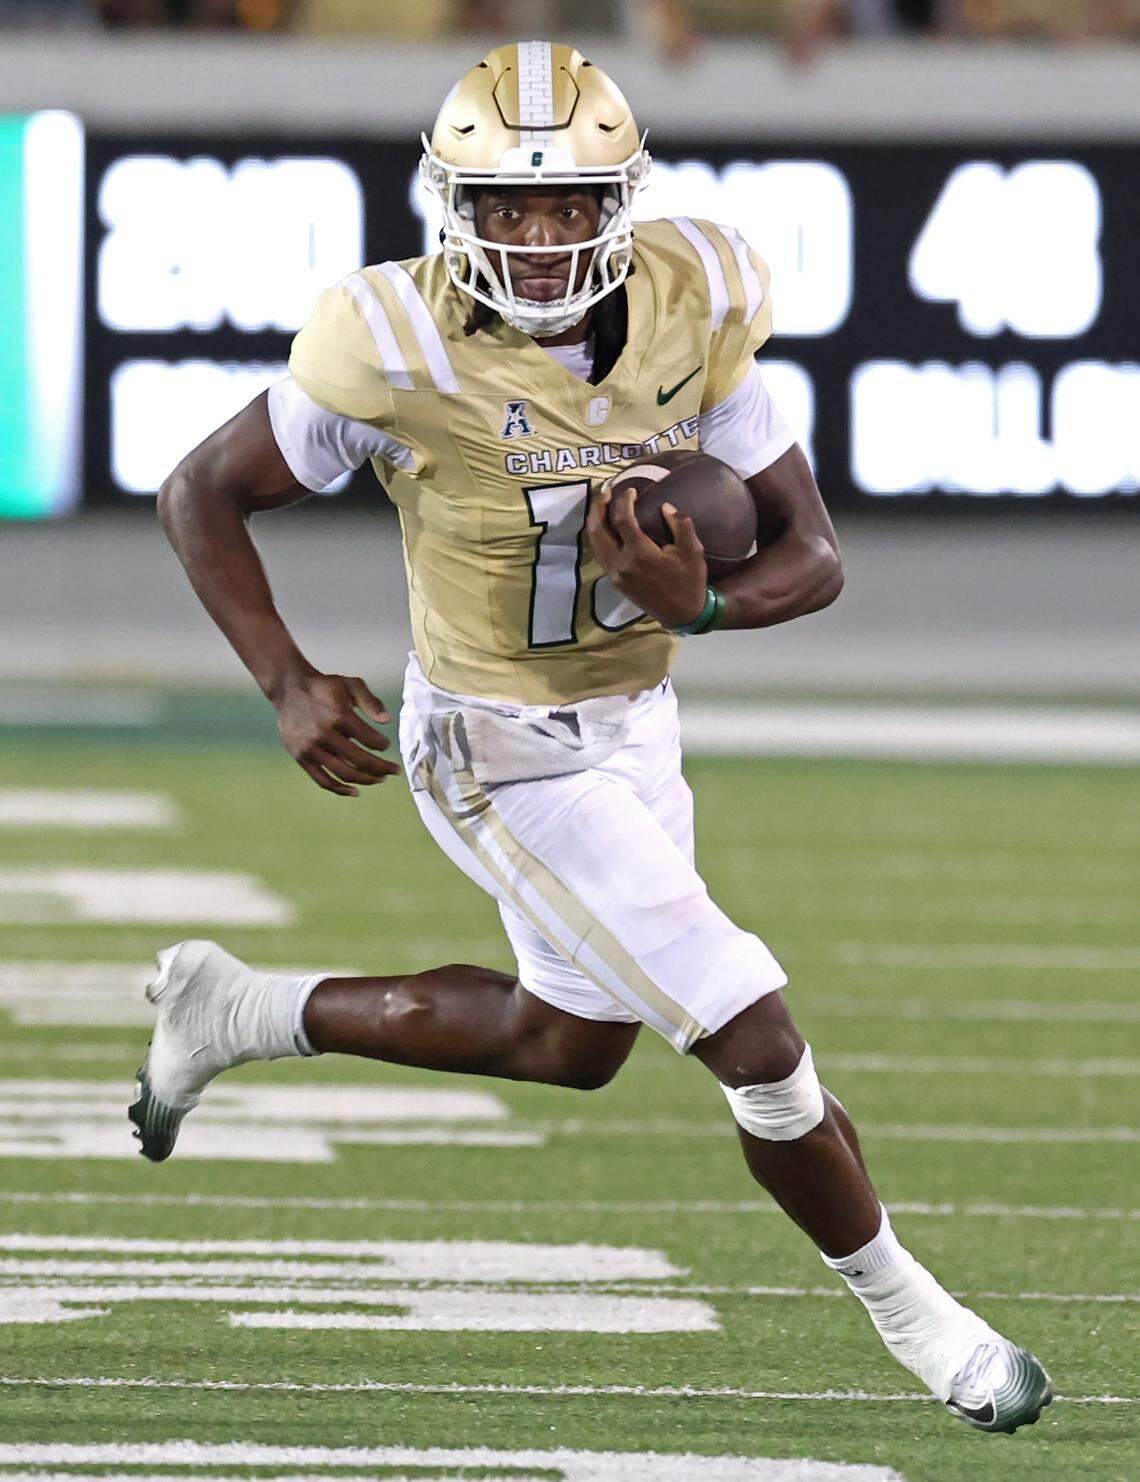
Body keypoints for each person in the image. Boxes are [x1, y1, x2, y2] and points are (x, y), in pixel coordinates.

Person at [136, 39, 1051, 1435]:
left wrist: (713, 605)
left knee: (567, 1041)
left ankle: (238, 1011)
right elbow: (200, 487)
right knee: (754, 1034)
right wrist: (284, 677)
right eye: (507, 205)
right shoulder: (394, 338)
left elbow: (813, 553)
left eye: (568, 206)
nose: (541, 236)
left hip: (633, 724)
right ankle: (930, 1329)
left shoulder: (697, 301)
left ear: (621, 201)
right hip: (491, 743)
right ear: (453, 206)